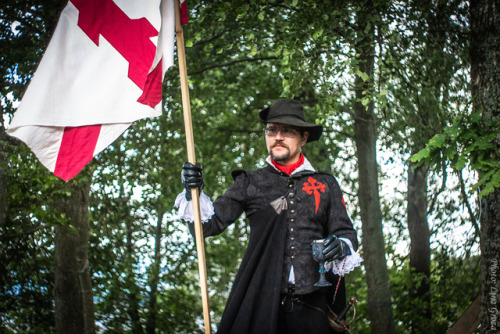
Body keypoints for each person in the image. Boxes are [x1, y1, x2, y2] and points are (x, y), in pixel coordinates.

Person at [175, 99, 362, 334]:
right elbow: (208, 225)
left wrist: (340, 246)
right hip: (262, 305)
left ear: (304, 138)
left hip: (314, 309)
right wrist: (192, 191)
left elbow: (346, 234)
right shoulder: (250, 183)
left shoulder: (326, 184)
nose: (278, 137)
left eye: (288, 131)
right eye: (272, 130)